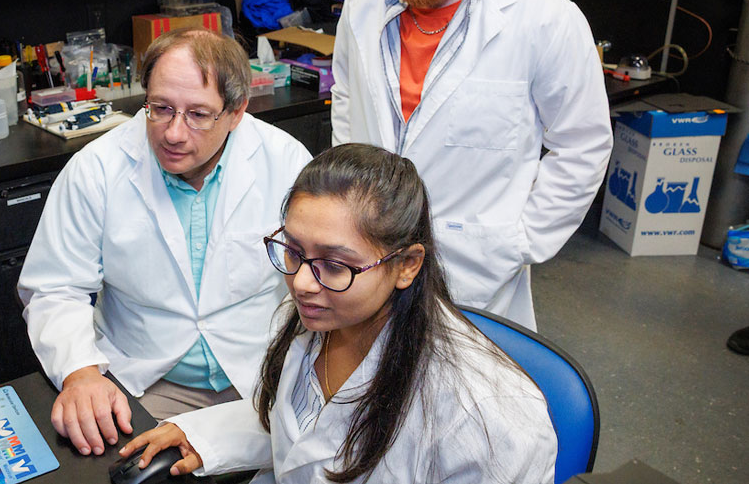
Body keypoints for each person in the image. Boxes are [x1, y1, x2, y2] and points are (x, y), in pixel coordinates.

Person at [118, 144, 556, 483]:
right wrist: (206, 436)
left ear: (407, 265)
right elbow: (309, 432)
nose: (303, 282)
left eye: (336, 263)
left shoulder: (487, 417)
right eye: (293, 250)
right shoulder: (325, 316)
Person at [330, 0, 613, 330]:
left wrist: (519, 241)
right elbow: (346, 98)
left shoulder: (545, 18)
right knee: (373, 393)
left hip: (476, 275)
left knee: (466, 397)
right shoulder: (362, 0)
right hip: (368, 260)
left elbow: (583, 145)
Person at [17, 28, 313, 457]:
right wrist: (80, 375)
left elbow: (318, 275)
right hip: (147, 384)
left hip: (261, 376)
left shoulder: (284, 161)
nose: (173, 133)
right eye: (160, 109)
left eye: (197, 114)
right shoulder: (96, 169)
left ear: (237, 112)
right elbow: (54, 287)